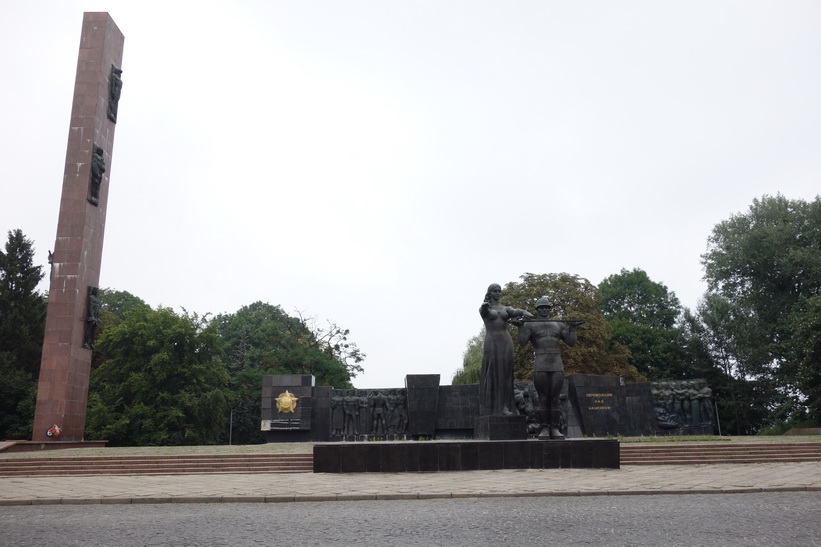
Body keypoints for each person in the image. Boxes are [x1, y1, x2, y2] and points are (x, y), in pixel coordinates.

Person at [517, 296, 583, 439]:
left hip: (556, 364)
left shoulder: (558, 325)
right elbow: (522, 342)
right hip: (540, 363)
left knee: (554, 398)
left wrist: (573, 328)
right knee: (542, 397)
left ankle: (555, 428)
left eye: (547, 307)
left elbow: (571, 342)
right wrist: (521, 327)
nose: (544, 310)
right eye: (542, 307)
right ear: (537, 310)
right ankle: (544, 428)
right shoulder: (531, 325)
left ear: (550, 309)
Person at [479, 283, 533, 416]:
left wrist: (524, 312)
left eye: (499, 291)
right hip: (492, 342)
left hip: (506, 341)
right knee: (496, 375)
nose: (498, 293)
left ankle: (506, 406)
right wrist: (485, 305)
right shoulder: (485, 308)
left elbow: (515, 312)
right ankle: (497, 407)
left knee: (506, 375)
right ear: (489, 293)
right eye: (495, 291)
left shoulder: (506, 309)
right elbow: (483, 311)